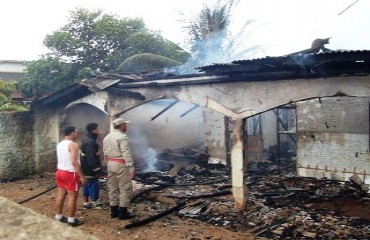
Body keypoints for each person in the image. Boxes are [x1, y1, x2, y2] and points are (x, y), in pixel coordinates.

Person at [103, 118, 135, 220]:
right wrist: (131, 166)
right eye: (125, 124)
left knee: (113, 188)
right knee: (125, 188)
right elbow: (126, 152)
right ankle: (123, 213)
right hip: (121, 165)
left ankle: (114, 212)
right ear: (121, 125)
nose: (126, 126)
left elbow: (104, 152)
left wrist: (106, 163)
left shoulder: (107, 137)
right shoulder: (122, 137)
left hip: (110, 163)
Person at [55, 126, 86, 227]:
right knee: (72, 197)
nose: (77, 134)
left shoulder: (60, 144)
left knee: (61, 195)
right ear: (72, 133)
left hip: (60, 171)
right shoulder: (73, 145)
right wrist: (82, 176)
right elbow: (74, 162)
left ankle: (58, 217)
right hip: (70, 173)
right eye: (76, 132)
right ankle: (71, 220)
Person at [80, 123, 103, 209]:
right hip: (90, 168)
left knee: (86, 184)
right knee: (94, 185)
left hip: (84, 167)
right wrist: (97, 170)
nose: (99, 131)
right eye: (97, 129)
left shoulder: (85, 139)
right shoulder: (90, 141)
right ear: (93, 130)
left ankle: (86, 203)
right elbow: (91, 158)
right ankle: (94, 203)